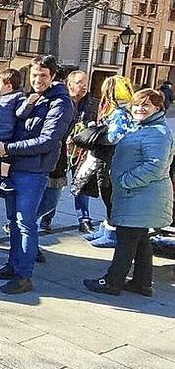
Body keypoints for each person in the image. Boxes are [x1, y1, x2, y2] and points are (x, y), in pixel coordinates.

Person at [0, 55, 74, 294]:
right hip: (15, 167)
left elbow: (46, 141)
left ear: (53, 76)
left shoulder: (61, 103)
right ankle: (12, 265)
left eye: (43, 75)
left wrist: (8, 148)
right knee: (13, 221)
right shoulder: (34, 98)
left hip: (33, 171)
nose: (37, 79)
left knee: (26, 223)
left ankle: (24, 275)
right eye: (34, 75)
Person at [84, 89, 174, 297]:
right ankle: (142, 284)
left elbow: (155, 166)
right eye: (136, 105)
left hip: (141, 195)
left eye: (146, 105)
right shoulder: (143, 127)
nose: (140, 109)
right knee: (140, 239)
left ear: (157, 108)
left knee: (126, 238)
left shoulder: (157, 132)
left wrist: (125, 181)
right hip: (138, 196)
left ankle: (112, 282)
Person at [74, 75, 135, 248]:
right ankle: (106, 229)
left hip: (112, 160)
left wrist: (96, 134)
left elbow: (114, 137)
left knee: (110, 196)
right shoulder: (124, 109)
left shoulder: (119, 112)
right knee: (108, 195)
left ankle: (112, 233)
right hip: (113, 159)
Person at [40, 70, 98, 233]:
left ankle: (84, 219)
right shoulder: (60, 101)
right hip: (60, 151)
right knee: (54, 186)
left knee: (82, 183)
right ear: (69, 83)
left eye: (86, 82)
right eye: (80, 82)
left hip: (82, 151)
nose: (84, 86)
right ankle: (46, 217)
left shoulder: (93, 103)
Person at [0, 69, 26, 195]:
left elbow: (21, 113)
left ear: (8, 86)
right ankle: (0, 180)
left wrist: (29, 103)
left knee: (5, 157)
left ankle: (3, 180)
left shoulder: (18, 97)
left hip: (8, 136)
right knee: (2, 157)